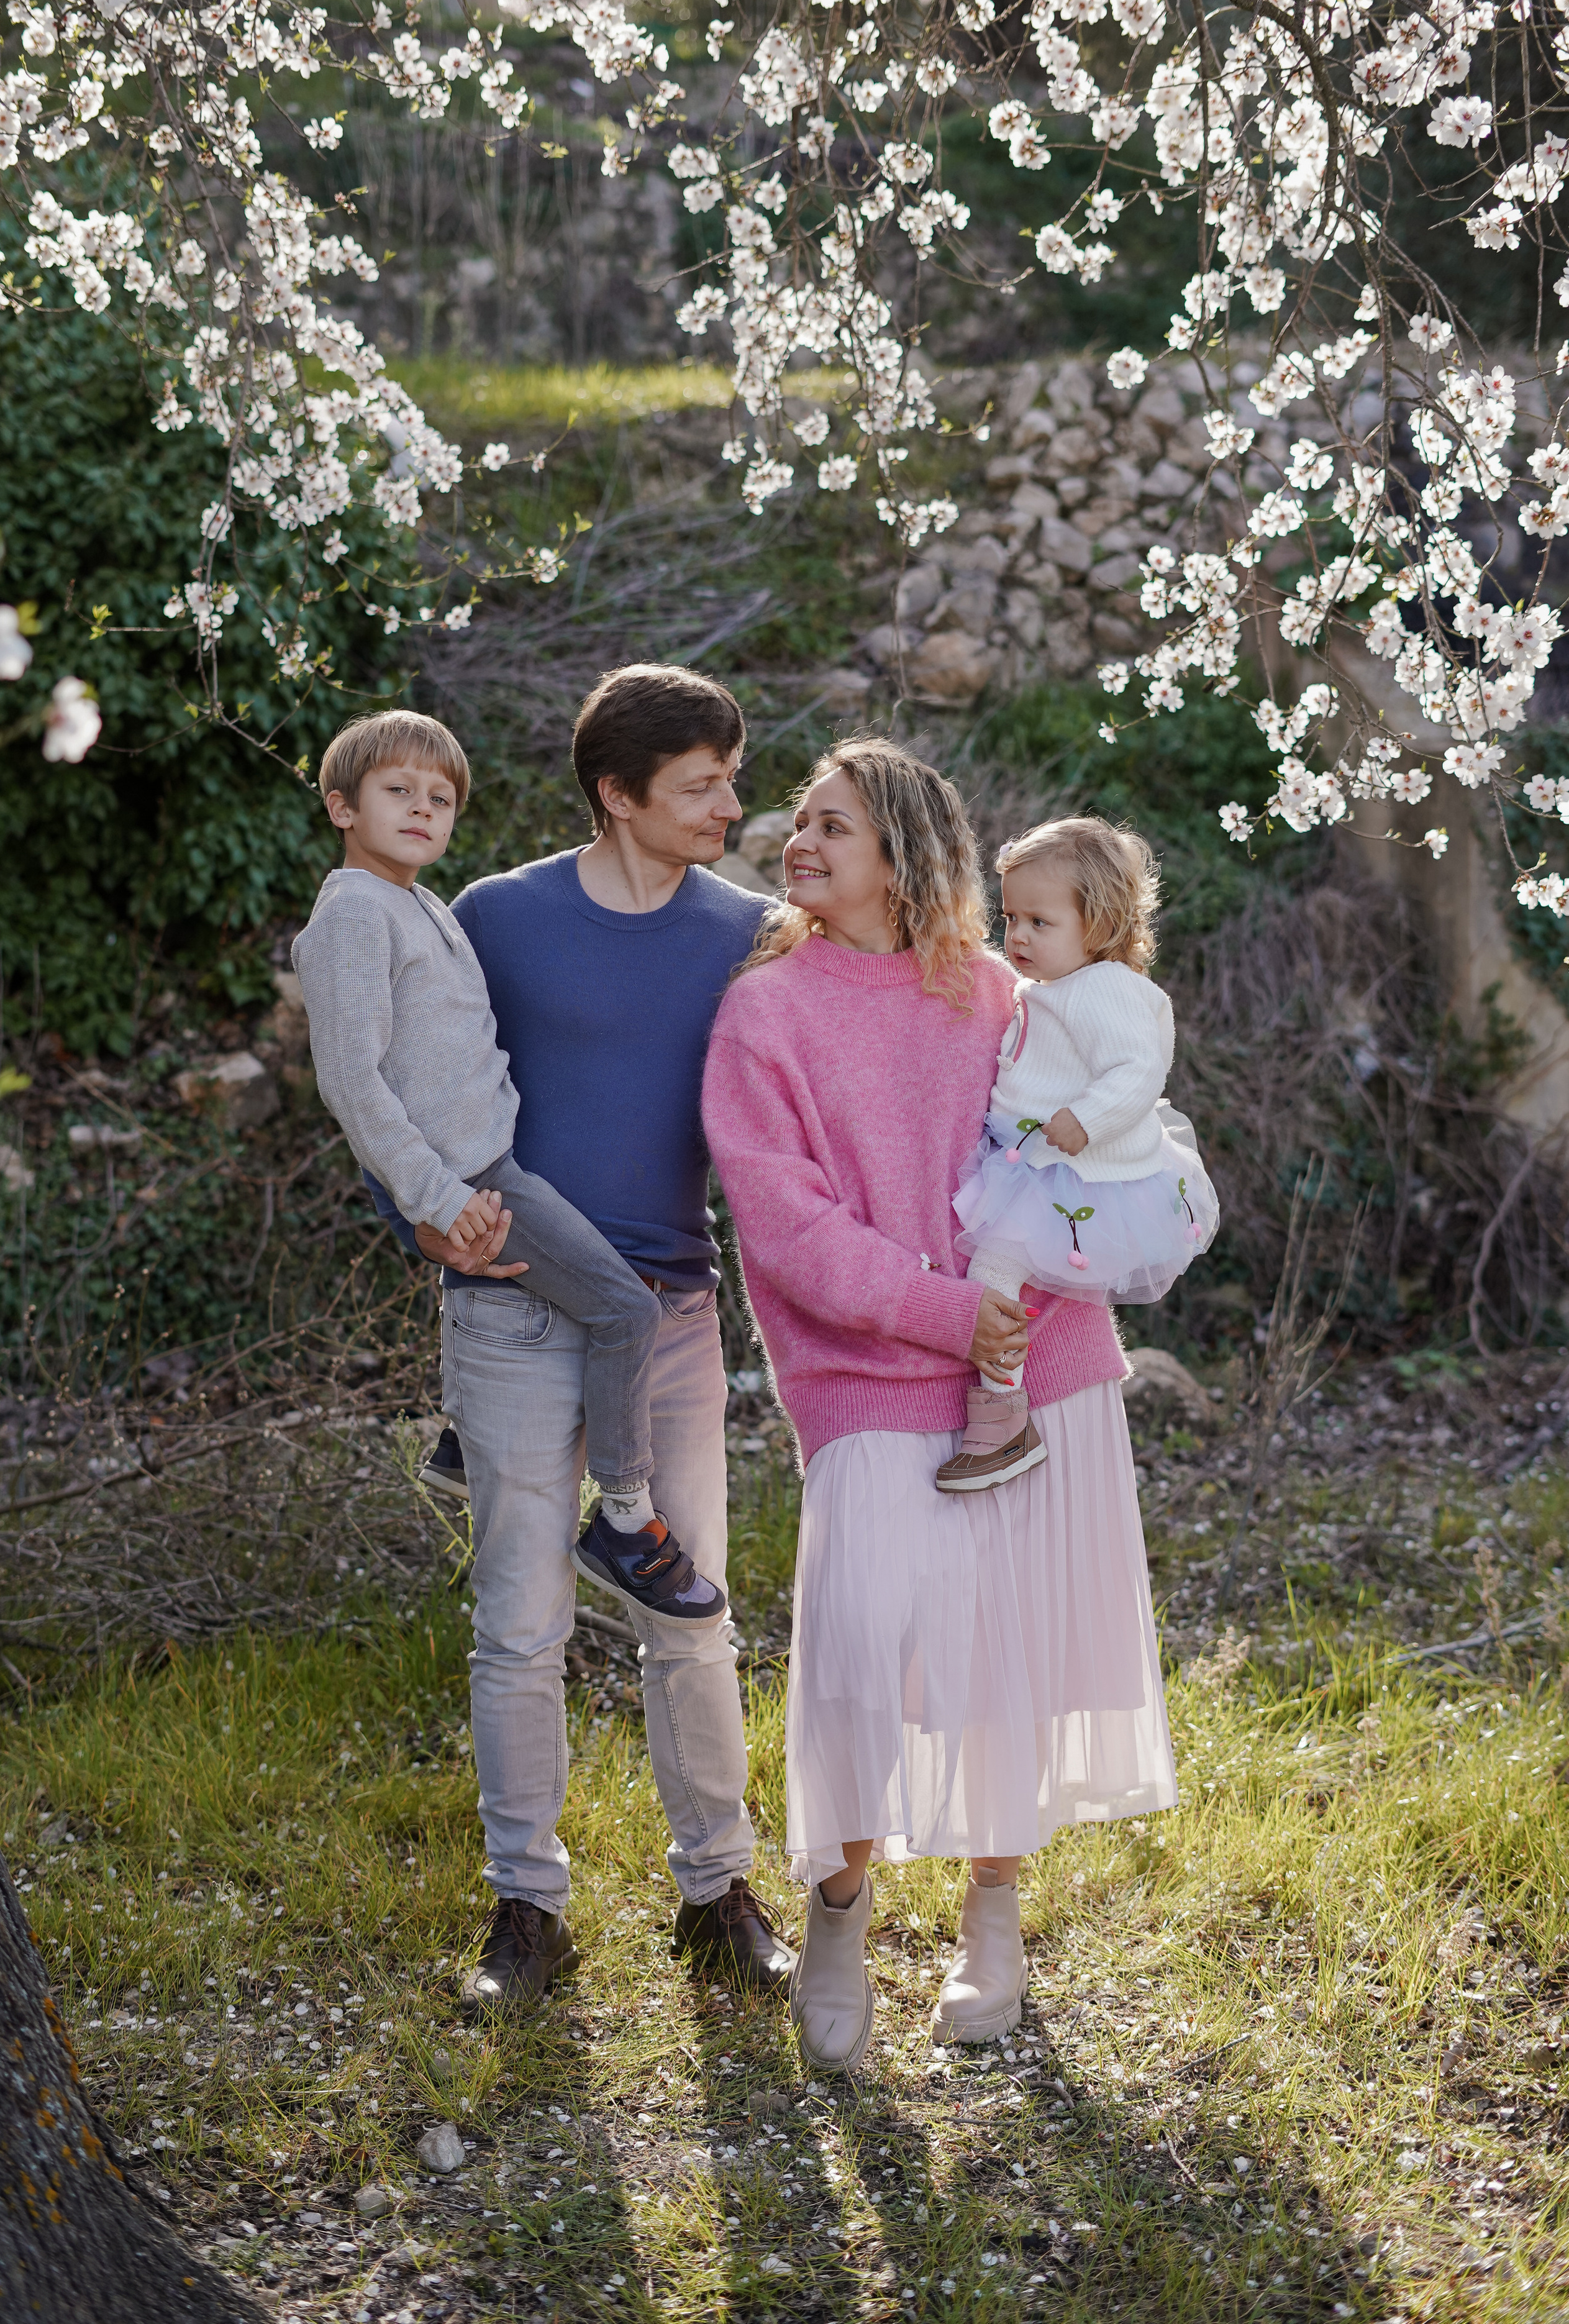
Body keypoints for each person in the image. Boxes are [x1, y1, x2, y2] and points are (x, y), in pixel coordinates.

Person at [701, 737, 1178, 2071]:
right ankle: (841, 1910)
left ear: (905, 851)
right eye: (796, 821)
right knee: (863, 1654)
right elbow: (786, 1232)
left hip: (1040, 1365)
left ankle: (992, 1915)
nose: (797, 842)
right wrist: (937, 1311)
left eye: (831, 824)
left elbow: (1106, 1122)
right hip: (868, 1375)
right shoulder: (767, 1014)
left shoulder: (999, 991)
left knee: (1006, 1656)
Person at [362, 665, 796, 2010]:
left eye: (731, 776)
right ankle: (525, 1914)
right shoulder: (493, 918)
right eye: (701, 785)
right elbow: (393, 1072)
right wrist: (417, 1223)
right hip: (503, 1311)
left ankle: (717, 1893)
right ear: (618, 797)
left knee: (691, 1615)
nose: (731, 803)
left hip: (666, 1316)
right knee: (520, 1627)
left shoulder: (752, 931)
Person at [294, 709, 722, 1620]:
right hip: (480, 1179)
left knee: (589, 1301)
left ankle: (463, 1445)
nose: (422, 810)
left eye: (441, 798)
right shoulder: (351, 918)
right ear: (341, 806)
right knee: (623, 1312)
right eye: (396, 792)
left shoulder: (419, 906)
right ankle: (624, 1517)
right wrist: (438, 1201)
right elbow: (352, 1082)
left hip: (492, 1163)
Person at [935, 815, 1219, 1493]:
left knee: (994, 1270)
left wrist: (1084, 1120)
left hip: (1073, 1169)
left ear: (1097, 926)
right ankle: (1011, 1397)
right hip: (1029, 1160)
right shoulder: (1045, 986)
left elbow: (1136, 1069)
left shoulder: (1107, 989)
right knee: (999, 1269)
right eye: (1011, 919)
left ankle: (1003, 1411)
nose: (1019, 937)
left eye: (1040, 922)